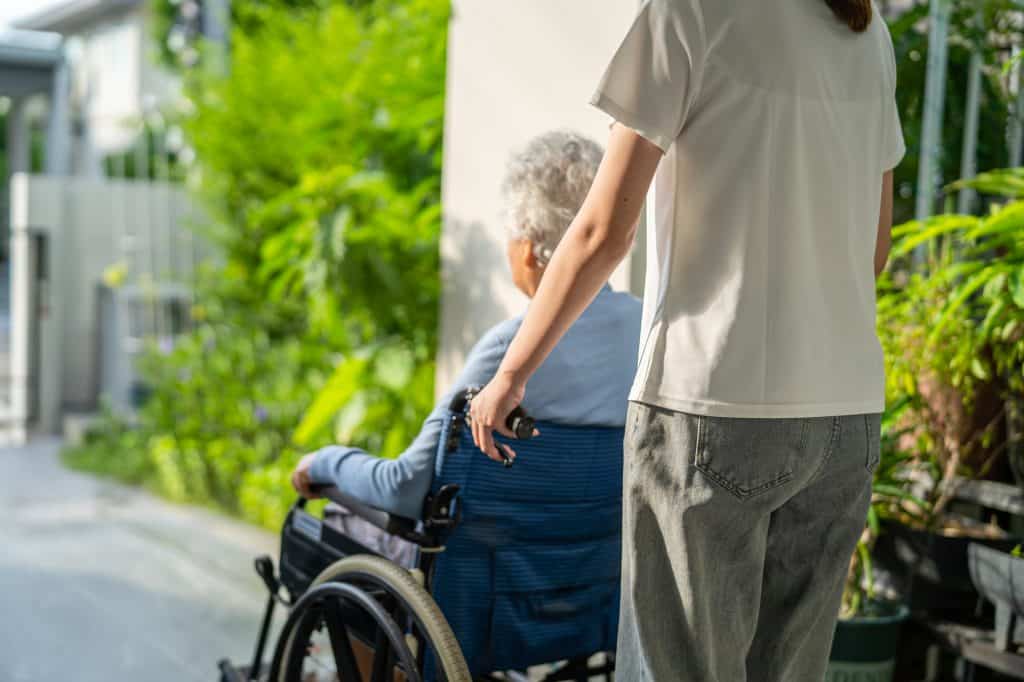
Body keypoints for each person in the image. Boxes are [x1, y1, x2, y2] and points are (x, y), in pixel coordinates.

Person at [468, 1, 904, 680]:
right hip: (844, 420)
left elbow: (601, 233)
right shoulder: (866, 32)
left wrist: (510, 374)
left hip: (712, 407)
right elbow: (872, 253)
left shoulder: (691, 11)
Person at [290, 130, 642, 557]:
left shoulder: (509, 353)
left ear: (528, 249)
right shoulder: (645, 330)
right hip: (591, 585)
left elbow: (405, 487)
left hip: (485, 589)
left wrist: (326, 461)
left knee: (322, 534)